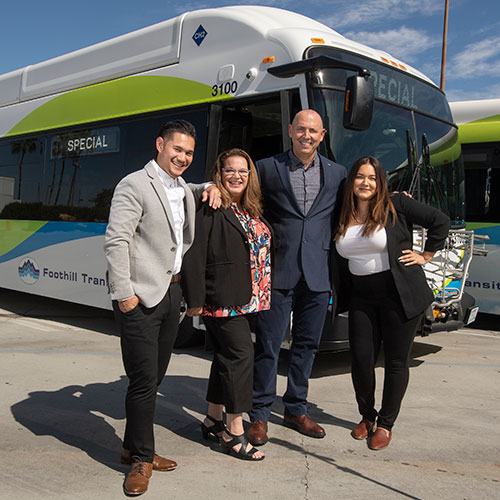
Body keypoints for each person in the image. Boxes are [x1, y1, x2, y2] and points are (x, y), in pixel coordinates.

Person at [104, 120, 220, 495]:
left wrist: (212, 186)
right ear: (160, 145)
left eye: (188, 152)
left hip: (171, 295)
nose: (182, 157)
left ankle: (129, 446)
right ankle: (141, 459)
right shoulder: (133, 184)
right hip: (139, 297)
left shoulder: (182, 186)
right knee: (141, 381)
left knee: (152, 380)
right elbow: (116, 241)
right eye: (177, 149)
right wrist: (124, 294)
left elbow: (193, 190)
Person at [333, 156, 450, 450]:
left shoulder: (396, 203)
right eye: (360, 176)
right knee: (361, 360)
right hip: (361, 296)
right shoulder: (341, 210)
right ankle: (367, 416)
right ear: (351, 181)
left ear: (380, 181)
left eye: (372, 178)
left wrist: (425, 255)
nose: (366, 183)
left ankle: (385, 423)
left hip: (398, 294)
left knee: (396, 362)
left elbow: (440, 221)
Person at [247, 109, 346, 445]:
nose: (307, 135)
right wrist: (213, 191)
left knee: (307, 346)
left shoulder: (337, 174)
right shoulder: (266, 168)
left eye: (313, 130)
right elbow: (244, 202)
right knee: (269, 347)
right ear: (290, 130)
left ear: (323, 135)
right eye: (301, 129)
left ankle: (296, 409)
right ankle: (259, 414)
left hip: (318, 275)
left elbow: (357, 205)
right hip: (278, 271)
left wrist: (395, 200)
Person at [182, 148, 271, 461]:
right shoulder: (212, 204)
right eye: (229, 170)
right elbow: (194, 253)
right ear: (218, 174)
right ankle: (233, 432)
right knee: (240, 356)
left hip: (246, 299)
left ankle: (211, 418)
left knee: (224, 358)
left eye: (243, 171)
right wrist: (193, 300)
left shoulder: (247, 208)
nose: (237, 176)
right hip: (220, 299)